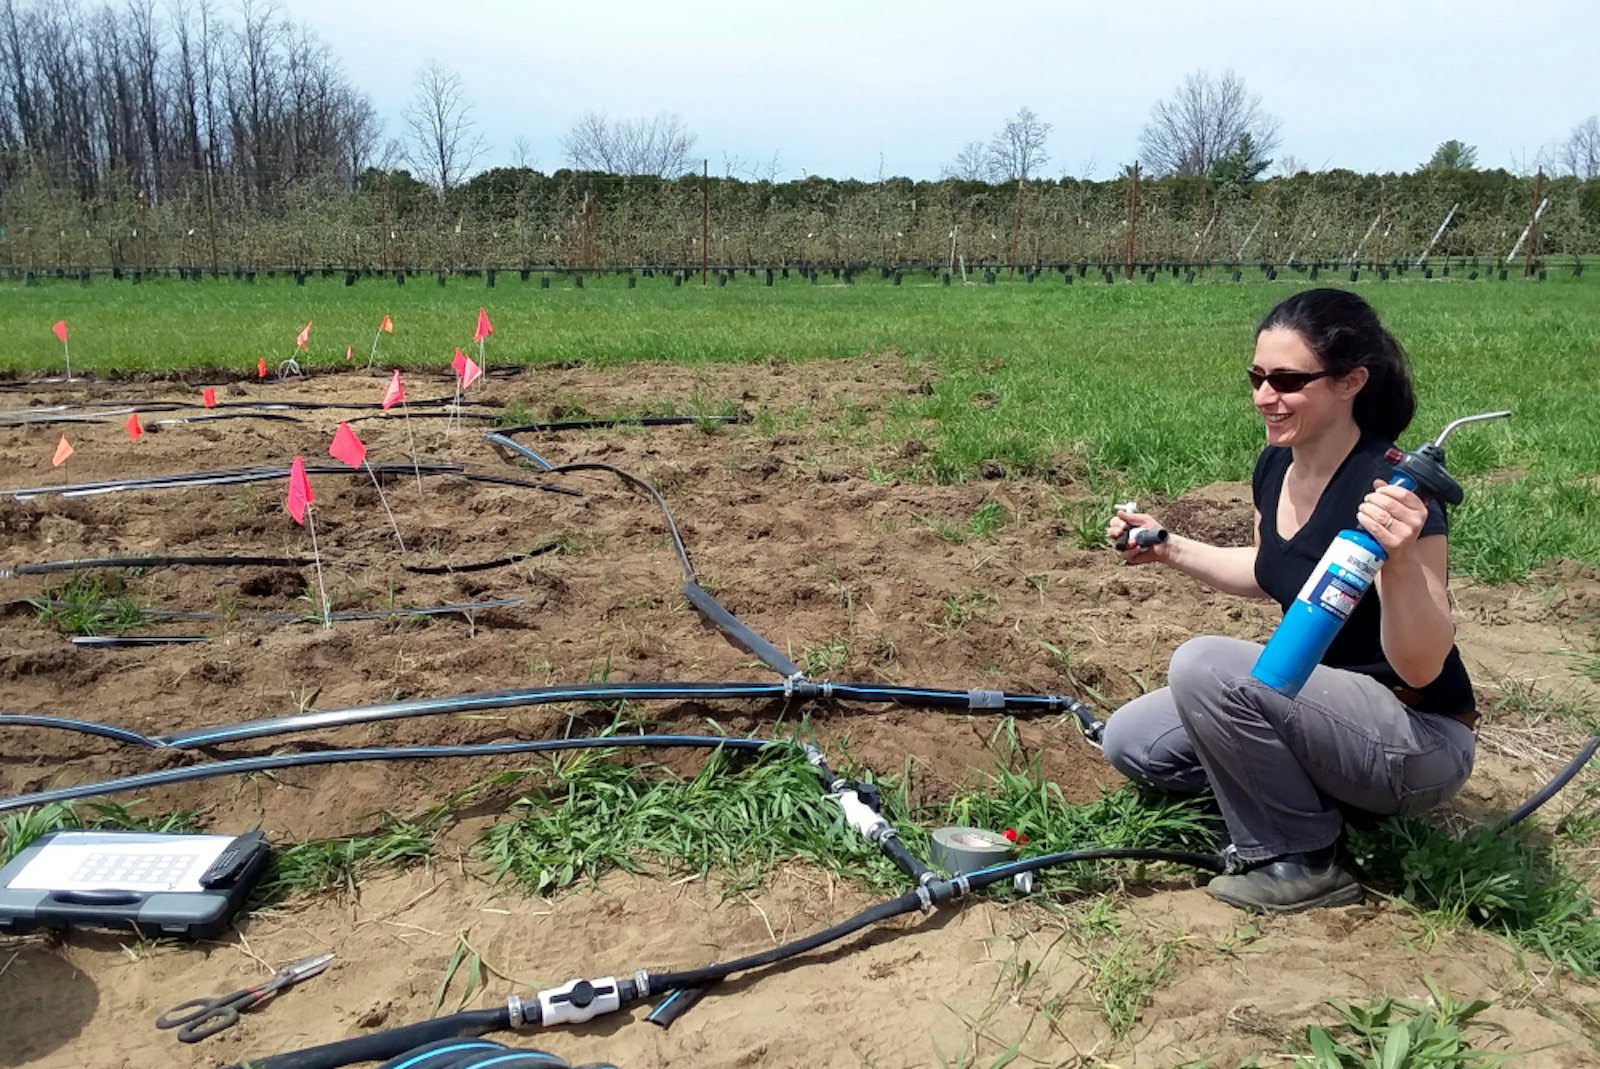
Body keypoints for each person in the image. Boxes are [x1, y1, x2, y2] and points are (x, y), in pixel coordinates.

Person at [1101, 287, 1477, 914]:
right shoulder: (1277, 465)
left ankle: (1304, 860)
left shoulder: (1392, 493)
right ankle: (1310, 804)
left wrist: (1403, 557)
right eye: (1256, 376)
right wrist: (1165, 545)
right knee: (1132, 741)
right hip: (1323, 711)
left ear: (1351, 381)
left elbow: (1421, 664)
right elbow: (1270, 569)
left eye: (1287, 380)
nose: (1262, 397)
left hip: (1414, 737)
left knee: (1205, 666)